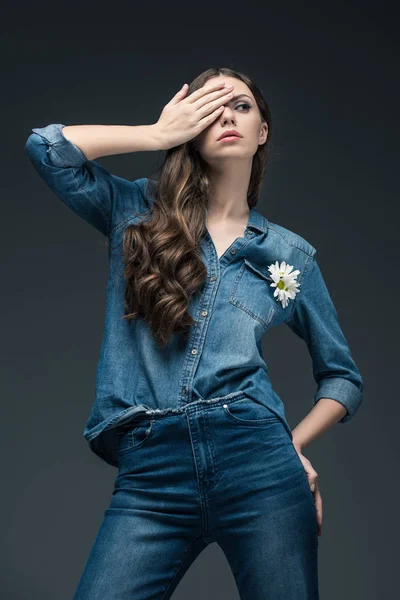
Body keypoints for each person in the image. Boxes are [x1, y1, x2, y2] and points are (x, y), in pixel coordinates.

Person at [25, 67, 363, 600]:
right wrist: (155, 135)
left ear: (263, 131)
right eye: (210, 105)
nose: (227, 114)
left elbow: (343, 378)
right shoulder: (135, 211)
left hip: (260, 466)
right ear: (191, 127)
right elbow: (47, 147)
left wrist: (292, 445)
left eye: (242, 106)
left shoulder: (290, 256)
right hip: (151, 475)